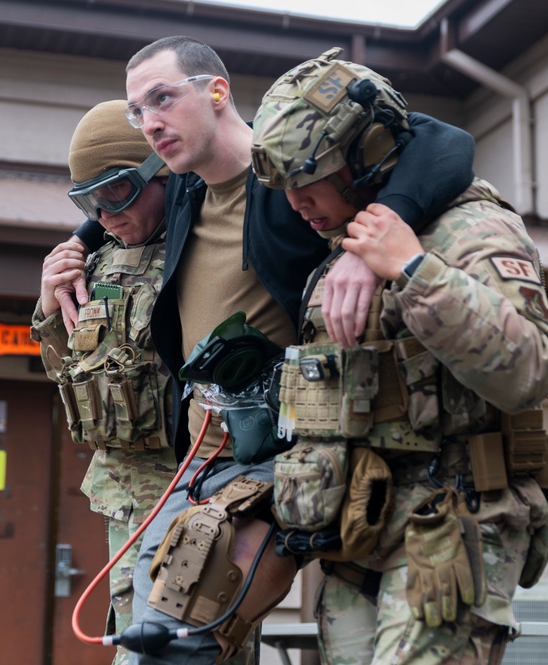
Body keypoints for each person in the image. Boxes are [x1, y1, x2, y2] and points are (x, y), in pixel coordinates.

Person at [69, 36, 476, 665]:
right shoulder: (183, 187)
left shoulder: (287, 174)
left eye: (162, 99)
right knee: (155, 641)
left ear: (217, 91)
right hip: (197, 456)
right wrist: (71, 244)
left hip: (280, 455)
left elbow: (445, 142)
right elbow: (113, 203)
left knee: (183, 635)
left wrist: (371, 245)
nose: (150, 122)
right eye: (137, 111)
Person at [250, 51, 548, 664]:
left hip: (450, 525)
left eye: (307, 178)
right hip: (359, 532)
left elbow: (532, 368)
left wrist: (412, 271)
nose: (294, 204)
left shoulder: (470, 229)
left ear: (366, 152)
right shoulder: (337, 243)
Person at [30, 100, 179, 665]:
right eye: (87, 199)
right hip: (127, 496)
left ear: (158, 171)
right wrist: (51, 303)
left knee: (198, 646)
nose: (103, 212)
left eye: (116, 191)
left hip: (198, 490)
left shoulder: (205, 247)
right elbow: (67, 371)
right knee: (136, 648)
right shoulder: (95, 261)